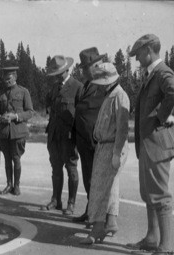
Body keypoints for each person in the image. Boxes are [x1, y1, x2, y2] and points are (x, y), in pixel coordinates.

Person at [126, 34, 174, 255]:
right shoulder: (151, 74)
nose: (137, 59)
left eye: (138, 54)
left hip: (156, 142)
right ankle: (152, 238)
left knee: (160, 196)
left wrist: (161, 116)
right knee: (148, 193)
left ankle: (166, 249)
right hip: (148, 143)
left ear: (148, 50)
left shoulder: (163, 72)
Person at [79, 62, 130, 244]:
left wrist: (117, 154)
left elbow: (123, 129)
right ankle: (110, 223)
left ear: (109, 82)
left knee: (100, 187)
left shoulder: (120, 96)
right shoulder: (111, 94)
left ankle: (98, 228)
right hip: (104, 145)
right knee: (107, 186)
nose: (99, 88)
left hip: (112, 146)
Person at [71, 47, 107, 226]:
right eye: (83, 67)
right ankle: (90, 211)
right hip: (84, 142)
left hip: (96, 142)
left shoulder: (105, 84)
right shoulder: (86, 85)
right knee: (88, 179)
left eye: (87, 67)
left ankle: (99, 217)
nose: (83, 70)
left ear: (97, 65)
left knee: (97, 180)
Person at [41, 55, 82, 215]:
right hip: (54, 135)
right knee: (55, 169)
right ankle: (56, 200)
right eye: (55, 74)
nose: (57, 77)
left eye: (59, 73)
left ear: (67, 70)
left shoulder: (77, 87)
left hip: (69, 137)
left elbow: (81, 114)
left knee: (71, 169)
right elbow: (48, 103)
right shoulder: (54, 88)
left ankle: (71, 203)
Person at [0, 65, 34, 196]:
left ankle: (16, 186)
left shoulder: (24, 92)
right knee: (7, 159)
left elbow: (30, 112)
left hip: (18, 132)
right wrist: (0, 118)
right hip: (4, 132)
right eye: (5, 79)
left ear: (15, 77)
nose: (6, 81)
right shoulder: (1, 93)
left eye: (9, 78)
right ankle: (8, 184)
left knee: (16, 159)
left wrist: (16, 116)